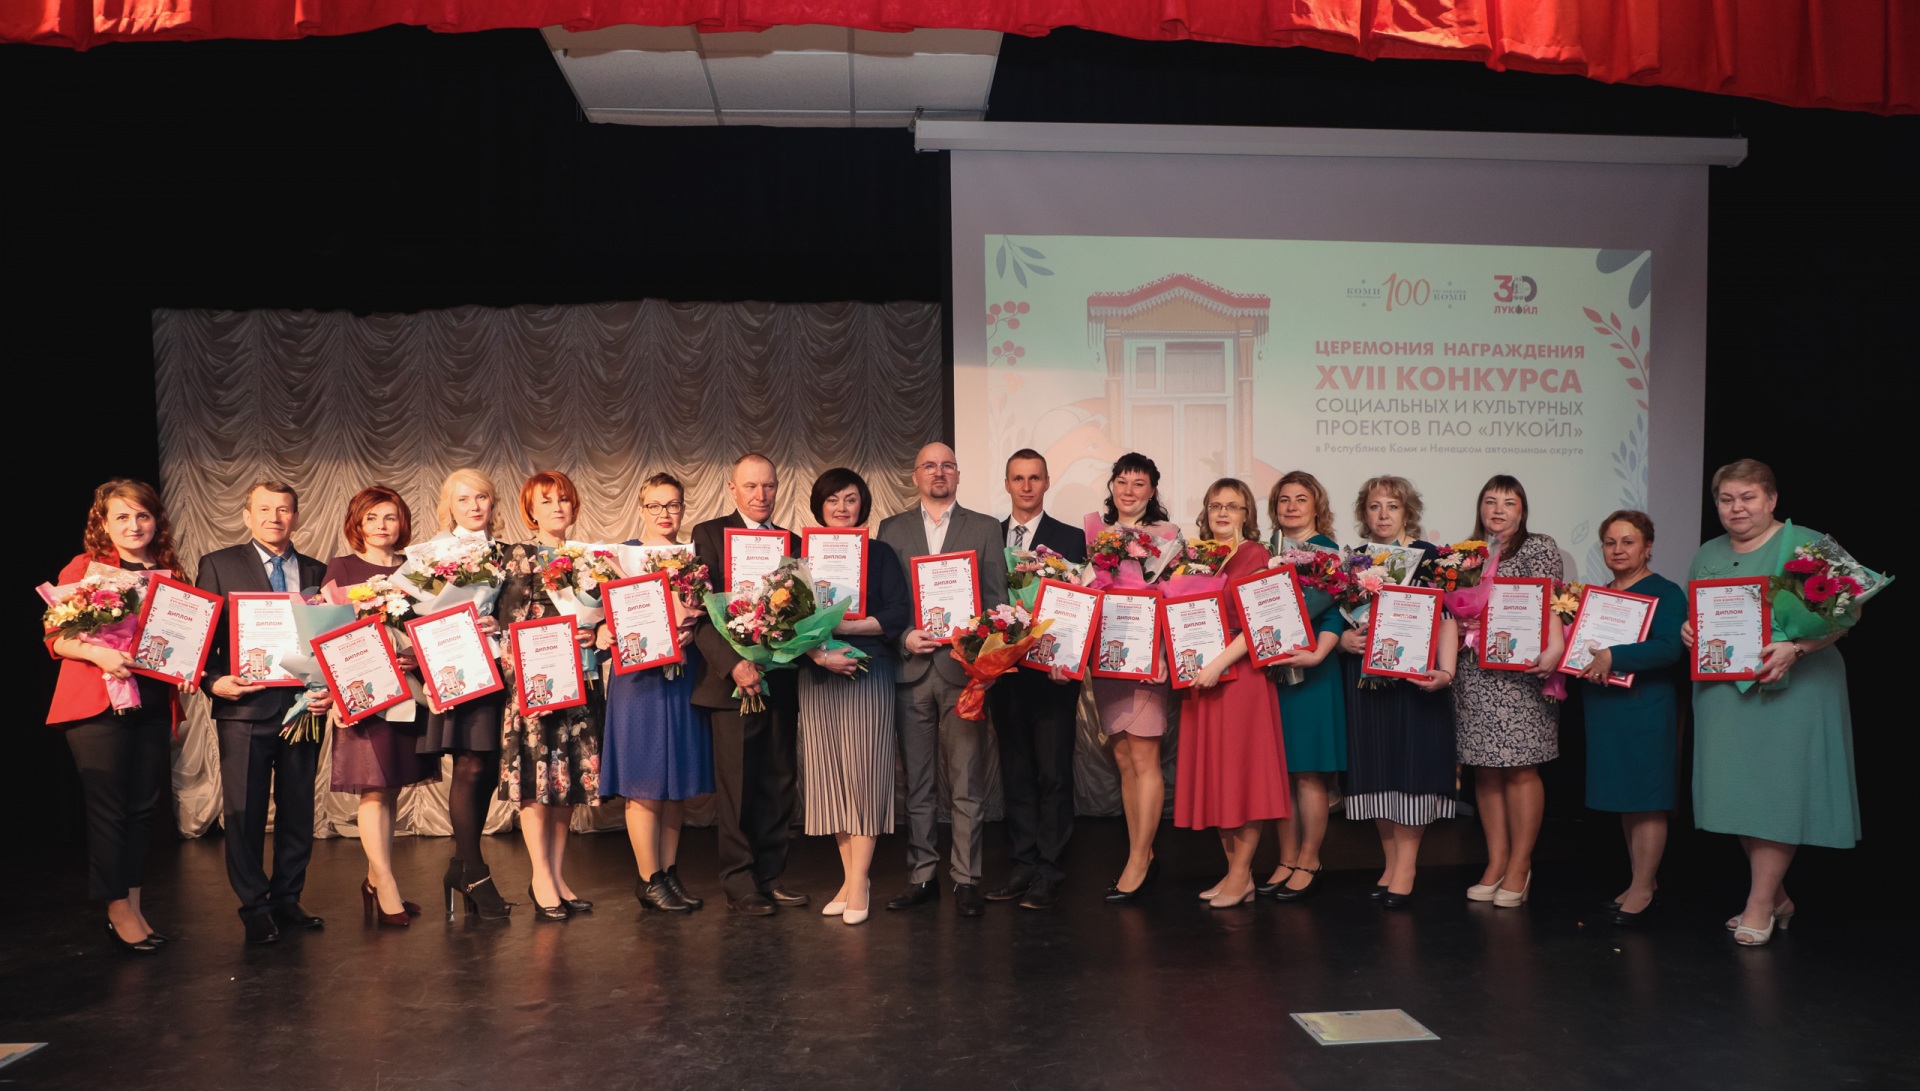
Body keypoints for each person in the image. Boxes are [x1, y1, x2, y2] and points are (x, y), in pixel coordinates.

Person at [1682, 459, 1858, 946]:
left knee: (1778, 793)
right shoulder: (1706, 552)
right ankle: (1777, 897)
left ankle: (1759, 904)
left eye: (1748, 497)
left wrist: (1796, 648)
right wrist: (1689, 630)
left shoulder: (1809, 543)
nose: (1736, 508)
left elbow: (1849, 615)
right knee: (1739, 792)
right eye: (1726, 499)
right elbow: (1700, 612)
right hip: (1723, 692)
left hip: (1797, 689)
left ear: (1772, 499)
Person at [46, 479, 188, 954]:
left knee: (143, 810)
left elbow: (182, 641)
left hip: (152, 703)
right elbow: (56, 637)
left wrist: (188, 670)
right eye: (122, 517)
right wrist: (99, 655)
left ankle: (135, 904)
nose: (134, 525)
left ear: (155, 521)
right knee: (109, 811)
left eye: (142, 516)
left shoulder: (172, 573)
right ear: (103, 524)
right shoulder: (85, 568)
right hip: (97, 705)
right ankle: (117, 909)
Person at [877, 441, 1011, 917]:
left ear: (958, 474)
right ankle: (921, 877)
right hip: (911, 672)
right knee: (917, 784)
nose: (939, 472)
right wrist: (902, 638)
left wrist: (983, 661)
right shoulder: (891, 529)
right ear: (915, 475)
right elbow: (886, 603)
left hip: (963, 675)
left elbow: (996, 602)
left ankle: (967, 878)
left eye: (948, 465)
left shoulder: (985, 527)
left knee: (966, 783)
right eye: (930, 466)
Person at [196, 481, 332, 944]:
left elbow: (329, 640)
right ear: (247, 515)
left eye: (284, 509)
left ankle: (288, 898)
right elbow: (201, 638)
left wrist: (330, 689)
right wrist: (212, 681)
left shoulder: (316, 570)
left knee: (298, 809)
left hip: (303, 708)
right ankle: (254, 905)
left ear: (296, 516)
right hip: (244, 707)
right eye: (264, 509)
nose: (275, 517)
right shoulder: (218, 564)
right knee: (245, 811)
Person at [689, 453, 807, 915]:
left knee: (778, 782)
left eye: (769, 486)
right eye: (752, 486)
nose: (761, 495)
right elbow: (699, 613)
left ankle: (770, 876)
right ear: (732, 489)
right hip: (732, 684)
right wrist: (734, 664)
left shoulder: (793, 542)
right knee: (738, 786)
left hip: (781, 679)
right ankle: (739, 882)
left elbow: (804, 613)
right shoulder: (709, 535)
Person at [1337, 476, 1458, 908]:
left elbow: (1447, 619)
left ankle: (1406, 867)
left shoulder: (1431, 558)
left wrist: (1446, 672)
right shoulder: (1355, 561)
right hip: (1365, 679)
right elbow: (1342, 619)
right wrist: (1345, 642)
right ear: (1364, 513)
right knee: (1375, 768)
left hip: (1416, 680)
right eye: (1374, 506)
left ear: (1408, 512)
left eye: (1392, 505)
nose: (1383, 514)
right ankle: (1390, 864)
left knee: (1411, 769)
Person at [797, 468, 911, 926]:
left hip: (868, 670)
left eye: (850, 499)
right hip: (818, 674)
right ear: (819, 507)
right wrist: (821, 653)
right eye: (833, 500)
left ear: (863, 504)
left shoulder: (879, 553)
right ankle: (849, 880)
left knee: (865, 776)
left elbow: (897, 613)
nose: (842, 508)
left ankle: (860, 881)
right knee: (831, 779)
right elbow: (784, 622)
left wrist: (847, 627)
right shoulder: (801, 558)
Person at [595, 473, 713, 912]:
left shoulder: (695, 558)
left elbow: (708, 615)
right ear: (641, 509)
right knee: (644, 782)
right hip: (638, 680)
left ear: (683, 508)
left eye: (673, 505)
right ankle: (649, 879)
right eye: (655, 505)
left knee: (675, 782)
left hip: (682, 676)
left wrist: (694, 627)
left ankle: (668, 871)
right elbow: (597, 617)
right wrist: (603, 630)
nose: (665, 513)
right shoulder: (618, 559)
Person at [1172, 479, 1292, 908]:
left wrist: (1217, 664)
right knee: (1218, 777)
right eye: (1215, 506)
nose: (1223, 513)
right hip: (1203, 680)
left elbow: (1261, 623)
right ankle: (1234, 874)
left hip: (1240, 678)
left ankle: (1242, 875)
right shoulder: (1195, 559)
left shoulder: (1256, 555)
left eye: (1233, 506)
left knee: (1242, 777)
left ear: (1247, 514)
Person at [323, 486, 438, 927]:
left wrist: (415, 655)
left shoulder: (418, 568)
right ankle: (386, 886)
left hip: (409, 693)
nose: (381, 526)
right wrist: (335, 692)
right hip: (364, 692)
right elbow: (328, 633)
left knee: (390, 787)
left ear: (402, 522)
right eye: (371, 518)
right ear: (357, 523)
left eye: (390, 517)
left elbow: (434, 626)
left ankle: (375, 881)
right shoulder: (342, 567)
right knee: (372, 787)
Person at [497, 470, 604, 921]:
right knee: (535, 780)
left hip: (580, 685)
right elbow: (505, 620)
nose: (557, 507)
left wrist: (596, 633)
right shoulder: (515, 557)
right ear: (530, 511)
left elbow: (603, 620)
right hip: (534, 684)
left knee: (568, 782)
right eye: (546, 501)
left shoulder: (590, 559)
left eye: (564, 499)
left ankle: (557, 876)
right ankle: (540, 876)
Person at [1454, 475, 1564, 908]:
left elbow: (1551, 602)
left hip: (1521, 674)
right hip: (1474, 674)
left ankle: (1520, 864)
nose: (1498, 510)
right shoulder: (1467, 554)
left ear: (1523, 510)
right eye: (1490, 501)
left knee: (1520, 769)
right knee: (1485, 770)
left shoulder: (1539, 547)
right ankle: (1496, 861)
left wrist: (1555, 648)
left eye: (1509, 502)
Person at [985, 449, 1088, 910]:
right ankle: (1023, 863)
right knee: (1016, 774)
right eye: (1018, 478)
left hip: (1053, 676)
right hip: (1005, 676)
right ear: (1007, 483)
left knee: (1053, 775)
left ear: (1047, 482)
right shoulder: (989, 535)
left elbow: (1080, 604)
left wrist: (1071, 659)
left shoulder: (1071, 538)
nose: (1026, 486)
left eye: (1034, 478)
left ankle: (1050, 870)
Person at [1573, 509, 1686, 927]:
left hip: (1646, 706)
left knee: (1648, 800)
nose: (1618, 550)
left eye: (1628, 542)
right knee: (1626, 798)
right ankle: (1642, 879)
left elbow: (1670, 648)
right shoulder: (1599, 595)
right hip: (1606, 707)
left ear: (1647, 547)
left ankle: (1643, 886)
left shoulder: (1666, 592)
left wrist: (1613, 656)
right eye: (1610, 542)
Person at [1083, 452, 1183, 902]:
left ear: (1152, 490)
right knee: (1124, 759)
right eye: (1122, 481)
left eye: (1139, 483)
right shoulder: (1096, 536)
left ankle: (1139, 860)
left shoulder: (1169, 538)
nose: (1129, 490)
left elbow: (1177, 601)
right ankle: (1142, 853)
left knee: (1145, 759)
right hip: (1109, 661)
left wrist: (1163, 653)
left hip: (1148, 663)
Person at [418, 468, 512, 921]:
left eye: (482, 497)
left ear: (493, 503)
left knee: (489, 768)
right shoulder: (432, 554)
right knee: (469, 766)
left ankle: (459, 867)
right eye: (463, 499)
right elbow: (409, 611)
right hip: (456, 666)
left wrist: (501, 623)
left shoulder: (507, 553)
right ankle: (475, 872)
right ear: (449, 507)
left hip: (498, 666)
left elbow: (520, 608)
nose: (474, 506)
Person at [1259, 471, 1347, 902]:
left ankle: (1309, 858)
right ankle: (1286, 857)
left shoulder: (1328, 554)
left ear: (1317, 506)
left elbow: (1334, 614)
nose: (1292, 507)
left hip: (1313, 671)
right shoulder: (1267, 551)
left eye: (1301, 499)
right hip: (1273, 674)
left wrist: (1315, 654)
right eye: (1284, 500)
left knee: (1309, 773)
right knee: (1282, 773)